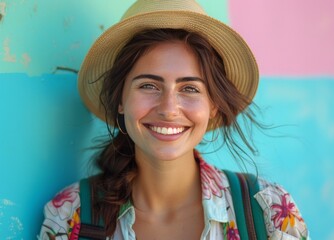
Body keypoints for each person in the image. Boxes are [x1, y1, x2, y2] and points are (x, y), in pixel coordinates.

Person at [38, 0, 310, 239]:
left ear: (213, 105)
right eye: (148, 85)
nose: (169, 109)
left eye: (189, 88)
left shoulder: (268, 212)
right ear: (120, 100)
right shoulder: (69, 216)